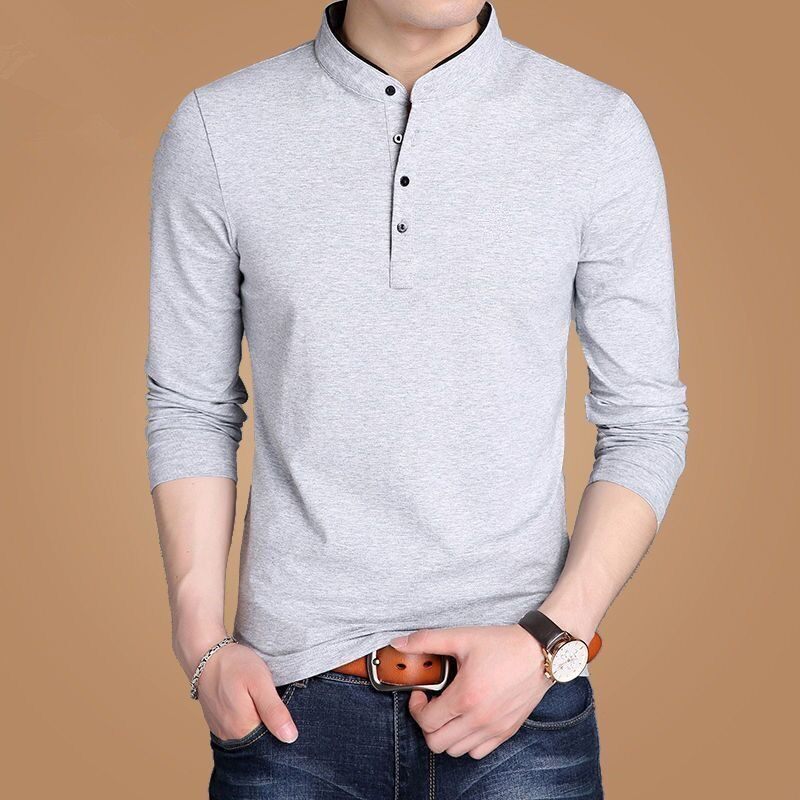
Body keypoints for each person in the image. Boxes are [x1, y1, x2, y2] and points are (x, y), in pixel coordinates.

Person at [145, 1, 689, 797]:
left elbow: (646, 422)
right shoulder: (219, 128)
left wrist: (549, 642)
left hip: (523, 709)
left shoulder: (595, 128)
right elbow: (191, 405)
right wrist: (200, 643)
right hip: (288, 712)